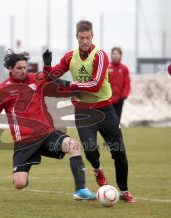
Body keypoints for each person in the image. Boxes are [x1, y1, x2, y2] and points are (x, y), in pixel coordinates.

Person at [0, 50, 96, 200]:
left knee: (73, 146)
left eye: (24, 67)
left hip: (46, 133)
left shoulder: (36, 79)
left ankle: (80, 190)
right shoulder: (3, 90)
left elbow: (51, 80)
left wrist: (48, 66)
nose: (23, 71)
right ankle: (21, 175)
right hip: (25, 141)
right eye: (19, 68)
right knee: (19, 184)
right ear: (10, 68)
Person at [43, 20, 135, 203]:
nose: (85, 41)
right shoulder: (70, 57)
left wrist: (69, 84)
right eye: (81, 37)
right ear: (76, 37)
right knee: (91, 149)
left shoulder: (100, 56)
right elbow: (51, 77)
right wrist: (47, 66)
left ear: (92, 36)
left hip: (104, 109)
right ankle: (97, 169)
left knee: (119, 153)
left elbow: (95, 85)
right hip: (83, 111)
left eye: (88, 37)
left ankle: (124, 191)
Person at [108, 47, 130, 122]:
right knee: (109, 120)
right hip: (108, 100)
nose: (115, 56)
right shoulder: (107, 67)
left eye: (117, 54)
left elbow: (127, 84)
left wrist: (123, 96)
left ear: (120, 55)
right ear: (111, 55)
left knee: (117, 120)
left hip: (119, 99)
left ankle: (117, 133)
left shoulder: (124, 69)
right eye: (114, 54)